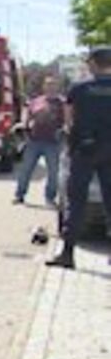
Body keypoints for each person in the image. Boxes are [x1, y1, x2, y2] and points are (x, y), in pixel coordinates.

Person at [47, 46, 111, 269]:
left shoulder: (79, 89)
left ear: (93, 64)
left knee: (76, 204)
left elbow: (68, 122)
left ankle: (67, 254)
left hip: (84, 151)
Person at [14, 77, 64, 206]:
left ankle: (50, 198)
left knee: (53, 172)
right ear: (44, 87)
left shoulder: (62, 102)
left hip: (53, 142)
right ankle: (19, 195)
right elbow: (26, 113)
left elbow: (68, 119)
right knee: (26, 169)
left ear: (57, 87)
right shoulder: (36, 101)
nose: (50, 87)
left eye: (53, 85)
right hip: (34, 140)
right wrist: (24, 124)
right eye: (48, 85)